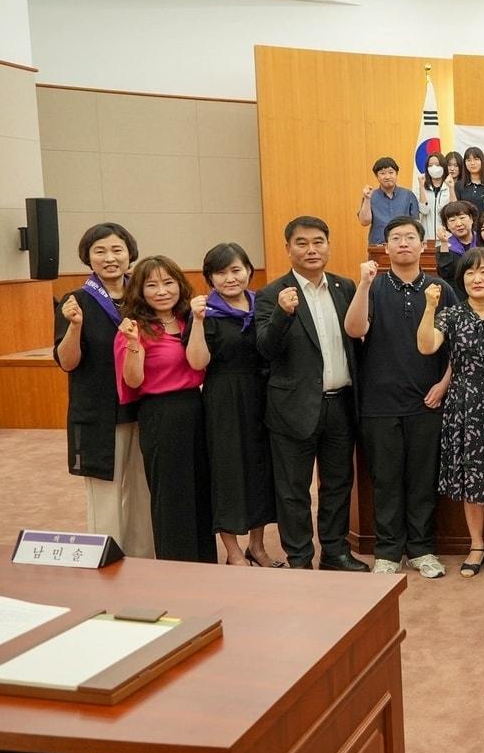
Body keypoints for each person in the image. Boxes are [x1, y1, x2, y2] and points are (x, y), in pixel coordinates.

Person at [345, 217, 456, 578]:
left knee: (422, 479)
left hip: (428, 400)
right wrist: (363, 285)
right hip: (379, 403)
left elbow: (458, 344)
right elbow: (355, 329)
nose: (404, 243)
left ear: (423, 246)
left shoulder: (441, 288)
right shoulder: (372, 287)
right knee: (386, 480)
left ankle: (422, 549)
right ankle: (388, 552)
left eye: (411, 237)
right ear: (385, 246)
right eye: (396, 238)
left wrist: (444, 384)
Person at [255, 216, 368, 571]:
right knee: (294, 490)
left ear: (329, 246)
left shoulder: (345, 287)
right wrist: (283, 315)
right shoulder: (272, 294)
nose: (311, 249)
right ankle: (300, 557)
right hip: (292, 407)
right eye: (302, 243)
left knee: (337, 484)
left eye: (318, 241)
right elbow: (264, 350)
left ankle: (334, 552)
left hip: (341, 404)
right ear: (287, 249)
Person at [418, 247, 484, 578]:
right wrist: (430, 307)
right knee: (471, 479)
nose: (477, 278)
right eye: (470, 273)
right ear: (462, 279)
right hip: (464, 405)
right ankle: (476, 545)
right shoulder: (451, 315)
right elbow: (426, 346)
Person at [54, 222, 154, 557]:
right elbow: (67, 363)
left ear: (130, 254)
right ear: (88, 257)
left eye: (117, 250)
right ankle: (107, 560)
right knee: (105, 495)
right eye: (100, 251)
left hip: (146, 407)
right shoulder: (75, 302)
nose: (110, 258)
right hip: (99, 412)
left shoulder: (146, 296)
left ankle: (144, 561)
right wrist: (74, 326)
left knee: (145, 491)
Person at [115, 255, 212, 563]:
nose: (161, 291)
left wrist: (198, 321)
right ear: (140, 291)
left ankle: (205, 562)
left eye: (168, 282)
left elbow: (200, 364)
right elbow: (133, 380)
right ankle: (177, 567)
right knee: (171, 495)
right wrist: (132, 342)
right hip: (160, 413)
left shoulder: (188, 319)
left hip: (195, 407)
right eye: (152, 285)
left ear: (179, 285)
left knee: (199, 488)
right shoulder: (134, 328)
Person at [187, 242, 278, 567]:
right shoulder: (204, 312)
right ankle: (233, 551)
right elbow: (197, 363)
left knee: (260, 469)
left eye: (236, 270)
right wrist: (197, 322)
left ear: (249, 271)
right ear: (210, 278)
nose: (230, 278)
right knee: (227, 472)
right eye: (221, 272)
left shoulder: (263, 304)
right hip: (223, 398)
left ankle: (257, 545)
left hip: (262, 395)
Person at [358, 156, 419, 245]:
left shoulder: (408, 195)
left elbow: (416, 223)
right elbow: (364, 221)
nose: (387, 177)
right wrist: (367, 199)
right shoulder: (371, 195)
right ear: (376, 176)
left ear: (396, 174)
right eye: (382, 173)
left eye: (391, 172)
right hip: (378, 246)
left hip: (403, 246)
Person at [436, 199, 479, 288]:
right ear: (447, 225)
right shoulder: (445, 247)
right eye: (452, 220)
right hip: (457, 296)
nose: (458, 224)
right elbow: (445, 274)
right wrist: (444, 243)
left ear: (471, 219)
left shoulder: (482, 241)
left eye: (462, 218)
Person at [416, 151, 454, 241]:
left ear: (443, 166)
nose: (434, 168)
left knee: (445, 254)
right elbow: (424, 210)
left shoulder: (449, 186)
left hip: (446, 238)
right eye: (430, 165)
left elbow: (454, 210)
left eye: (437, 165)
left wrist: (451, 188)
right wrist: (421, 186)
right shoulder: (421, 188)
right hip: (427, 238)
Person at [458, 147, 484, 214]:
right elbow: (456, 210)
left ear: (482, 161)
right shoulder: (459, 185)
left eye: (476, 159)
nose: (472, 163)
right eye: (468, 160)